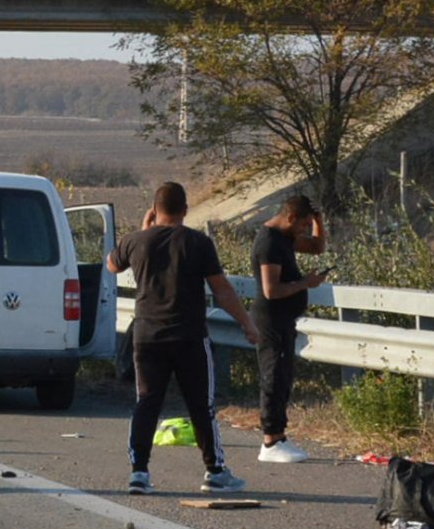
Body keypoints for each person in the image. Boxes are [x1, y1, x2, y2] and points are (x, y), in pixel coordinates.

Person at [106, 181, 260, 495]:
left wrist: (142, 230)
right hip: (189, 336)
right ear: (185, 210)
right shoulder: (198, 242)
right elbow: (221, 290)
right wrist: (246, 322)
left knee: (147, 403)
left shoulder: (136, 241)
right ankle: (215, 471)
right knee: (201, 405)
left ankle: (139, 473)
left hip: (147, 336)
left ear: (154, 209)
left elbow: (111, 264)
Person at [251, 194, 328, 464]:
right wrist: (305, 283)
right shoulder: (269, 242)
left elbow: (317, 248)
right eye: (304, 225)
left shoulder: (284, 238)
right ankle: (270, 440)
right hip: (270, 319)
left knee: (282, 377)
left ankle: (279, 435)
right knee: (273, 377)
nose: (305, 231)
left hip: (284, 320)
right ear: (291, 218)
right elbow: (271, 290)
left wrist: (318, 222)